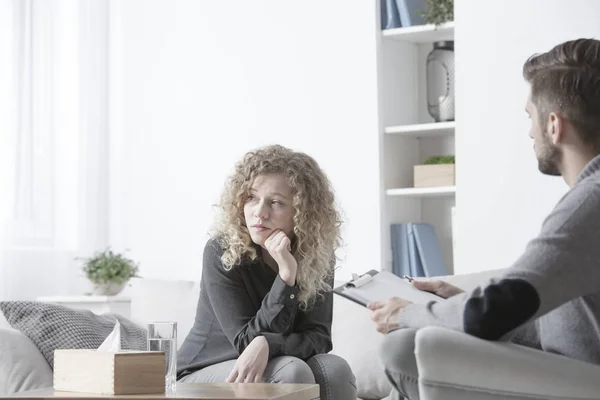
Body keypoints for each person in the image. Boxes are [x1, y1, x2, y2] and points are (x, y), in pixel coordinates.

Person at [369, 38, 600, 400]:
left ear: (554, 125)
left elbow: (488, 313)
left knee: (403, 350)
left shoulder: (590, 201)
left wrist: (409, 314)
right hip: (578, 373)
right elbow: (560, 326)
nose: (529, 132)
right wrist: (456, 304)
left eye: (530, 117)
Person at [177, 145, 357, 399]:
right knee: (291, 371)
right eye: (251, 197)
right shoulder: (222, 250)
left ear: (302, 213)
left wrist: (269, 343)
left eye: (275, 202)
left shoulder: (317, 254)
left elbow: (319, 337)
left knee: (335, 368)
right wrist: (286, 277)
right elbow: (245, 343)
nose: (259, 213)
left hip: (269, 359)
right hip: (199, 373)